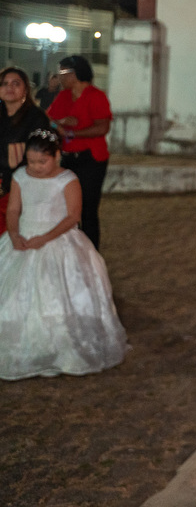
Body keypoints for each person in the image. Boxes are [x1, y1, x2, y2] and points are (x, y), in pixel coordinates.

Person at [0, 129, 126, 380]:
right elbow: (13, 209)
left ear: (57, 155)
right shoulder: (21, 177)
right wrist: (14, 235)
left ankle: (61, 347)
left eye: (42, 162)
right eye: (31, 161)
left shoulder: (67, 180)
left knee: (58, 293)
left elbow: (72, 216)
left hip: (57, 240)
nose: (35, 167)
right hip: (23, 238)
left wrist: (45, 239)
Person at [46, 56, 111, 249]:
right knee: (66, 208)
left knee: (88, 209)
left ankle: (91, 255)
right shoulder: (64, 96)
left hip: (91, 158)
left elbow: (102, 128)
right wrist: (61, 124)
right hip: (68, 157)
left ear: (74, 74)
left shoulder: (95, 96)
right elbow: (48, 119)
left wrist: (72, 132)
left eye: (62, 73)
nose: (58, 78)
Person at [1, 67, 52, 235]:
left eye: (16, 84)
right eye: (4, 84)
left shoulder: (36, 117)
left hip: (24, 186)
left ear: (25, 89)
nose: (9, 88)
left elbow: (42, 152)